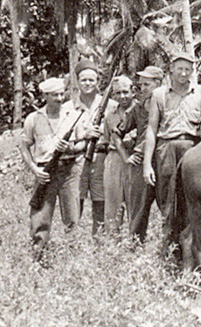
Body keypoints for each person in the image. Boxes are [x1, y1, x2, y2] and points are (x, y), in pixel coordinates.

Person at [20, 78, 85, 259]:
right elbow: (24, 146)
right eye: (54, 95)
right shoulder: (34, 118)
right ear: (45, 96)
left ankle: (74, 261)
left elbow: (83, 143)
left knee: (73, 217)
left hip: (69, 170)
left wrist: (71, 148)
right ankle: (37, 258)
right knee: (40, 219)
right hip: (45, 172)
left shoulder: (72, 115)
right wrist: (35, 169)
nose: (59, 98)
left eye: (61, 94)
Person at [143, 53, 201, 219]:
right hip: (167, 149)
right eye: (180, 68)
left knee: (193, 196)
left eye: (187, 69)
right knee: (167, 197)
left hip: (193, 149)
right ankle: (170, 240)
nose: (183, 73)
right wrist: (147, 164)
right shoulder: (159, 94)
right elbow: (151, 129)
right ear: (171, 69)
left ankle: (191, 241)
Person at [63, 60, 118, 235]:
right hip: (76, 160)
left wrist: (103, 132)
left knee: (100, 201)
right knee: (75, 202)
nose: (87, 84)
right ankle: (73, 242)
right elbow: (63, 142)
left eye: (91, 80)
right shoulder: (67, 108)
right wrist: (84, 136)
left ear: (98, 82)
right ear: (77, 81)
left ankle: (99, 241)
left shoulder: (110, 106)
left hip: (102, 158)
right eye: (84, 80)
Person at [111, 66, 163, 243]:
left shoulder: (167, 105)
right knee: (137, 211)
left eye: (147, 84)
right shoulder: (138, 108)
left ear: (159, 84)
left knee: (169, 208)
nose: (142, 89)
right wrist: (126, 156)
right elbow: (116, 133)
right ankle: (135, 248)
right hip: (140, 162)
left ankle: (169, 251)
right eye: (141, 85)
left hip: (163, 160)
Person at [102, 75, 137, 237]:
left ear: (133, 91)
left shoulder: (141, 111)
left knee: (135, 204)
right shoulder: (110, 115)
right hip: (115, 159)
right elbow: (110, 138)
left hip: (135, 158)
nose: (122, 96)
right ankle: (112, 242)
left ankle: (135, 241)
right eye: (117, 93)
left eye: (125, 92)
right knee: (113, 204)